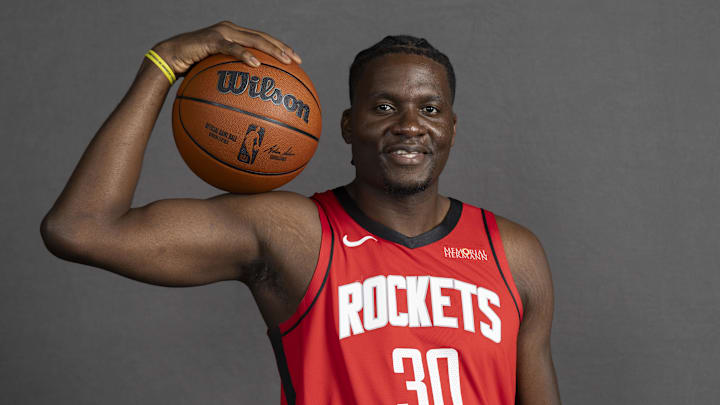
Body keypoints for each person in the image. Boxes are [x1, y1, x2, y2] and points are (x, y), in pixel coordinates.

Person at [41, 21, 561, 404]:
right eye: (383, 107)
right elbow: (81, 229)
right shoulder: (293, 233)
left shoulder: (512, 252)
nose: (409, 124)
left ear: (450, 128)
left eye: (429, 108)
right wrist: (162, 66)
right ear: (345, 125)